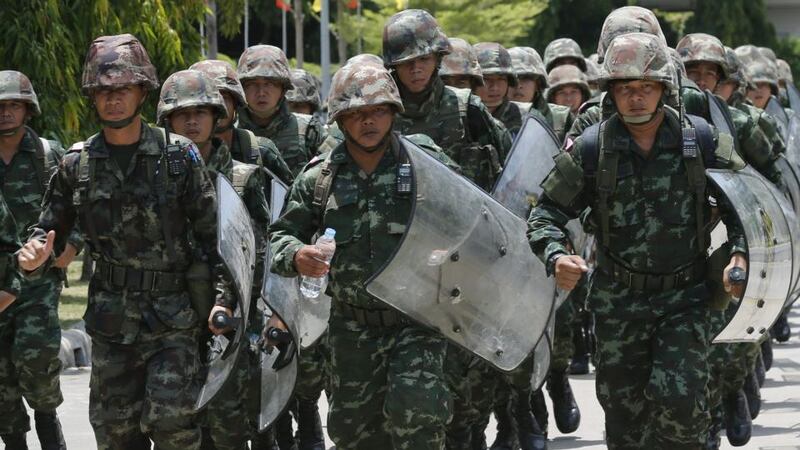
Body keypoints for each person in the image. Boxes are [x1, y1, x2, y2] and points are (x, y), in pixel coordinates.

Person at [528, 32, 748, 449]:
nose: (636, 97)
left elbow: (744, 204)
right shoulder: (592, 149)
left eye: (646, 87)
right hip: (618, 302)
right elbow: (545, 213)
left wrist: (739, 251)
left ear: (664, 89)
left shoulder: (700, 141)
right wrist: (556, 255)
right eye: (626, 88)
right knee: (625, 417)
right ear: (611, 92)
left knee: (681, 403)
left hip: (685, 298)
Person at [17, 34, 224, 450]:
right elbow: (48, 229)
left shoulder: (179, 157)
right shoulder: (77, 164)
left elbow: (214, 239)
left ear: (142, 92)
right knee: (115, 435)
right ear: (92, 97)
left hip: (174, 322)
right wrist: (36, 252)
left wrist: (222, 301)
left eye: (123, 89)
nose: (113, 99)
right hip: (112, 325)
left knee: (173, 426)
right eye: (104, 91)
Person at [269, 62, 455, 450]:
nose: (366, 121)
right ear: (339, 119)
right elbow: (280, 237)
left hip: (416, 320)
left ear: (393, 112)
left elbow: (468, 217)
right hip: (352, 328)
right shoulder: (320, 177)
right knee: (354, 433)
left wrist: (449, 251)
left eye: (377, 111)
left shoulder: (425, 160)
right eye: (354, 114)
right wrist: (298, 254)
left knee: (417, 414)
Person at [156, 68, 279, 450]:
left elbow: (261, 249)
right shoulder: (155, 176)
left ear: (217, 117)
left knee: (230, 424)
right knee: (177, 423)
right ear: (168, 121)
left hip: (232, 320)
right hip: (169, 318)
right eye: (182, 114)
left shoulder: (244, 177)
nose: (191, 121)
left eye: (201, 113)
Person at [0, 70, 70, 450]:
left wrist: (69, 250)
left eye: (13, 105)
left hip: (38, 284)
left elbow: (77, 208)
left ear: (28, 110)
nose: (5, 113)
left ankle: (49, 430)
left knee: (37, 362)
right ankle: (14, 442)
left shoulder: (49, 154)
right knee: (1, 380)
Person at [382, 9, 511, 192]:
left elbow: (506, 179)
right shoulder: (379, 112)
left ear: (438, 58)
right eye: (406, 62)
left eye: (424, 59)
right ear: (393, 65)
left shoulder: (469, 109)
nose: (416, 69)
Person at [237, 45, 326, 176]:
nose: (261, 92)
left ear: (283, 88)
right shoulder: (231, 132)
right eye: (252, 84)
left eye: (269, 84)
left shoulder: (308, 130)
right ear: (242, 88)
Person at [473, 42, 528, 136]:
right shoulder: (460, 114)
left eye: (501, 79)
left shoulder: (526, 117)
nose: (494, 87)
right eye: (486, 79)